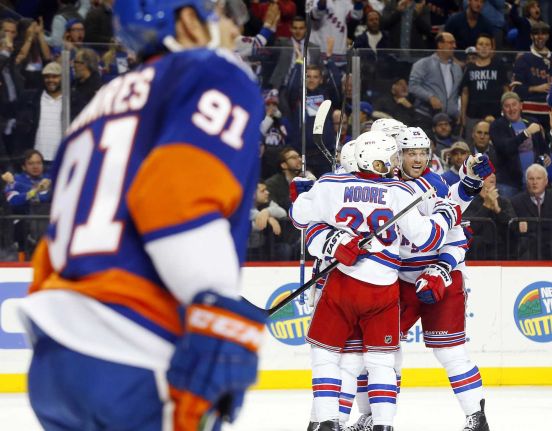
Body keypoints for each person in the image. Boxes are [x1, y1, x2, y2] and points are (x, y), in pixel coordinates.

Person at [16, 2, 269, 430]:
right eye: (226, 16)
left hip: (54, 364)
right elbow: (174, 199)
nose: (235, 31)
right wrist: (217, 317)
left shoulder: (97, 105)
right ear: (189, 20)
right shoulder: (213, 72)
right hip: (136, 352)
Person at [290, 130, 462, 431]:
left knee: (327, 354)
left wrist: (306, 196)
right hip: (383, 290)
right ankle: (383, 424)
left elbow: (299, 218)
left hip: (341, 285)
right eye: (393, 157)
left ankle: (327, 420)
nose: (398, 162)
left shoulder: (330, 184)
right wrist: (447, 213)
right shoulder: (399, 192)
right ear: (377, 160)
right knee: (381, 361)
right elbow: (427, 238)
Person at [341, 126, 492, 431]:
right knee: (379, 349)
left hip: (441, 279)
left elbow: (457, 237)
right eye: (411, 152)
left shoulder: (435, 185)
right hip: (398, 281)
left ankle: (476, 416)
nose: (418, 159)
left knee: (449, 351)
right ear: (398, 154)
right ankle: (373, 415)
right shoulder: (383, 187)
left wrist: (440, 270)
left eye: (423, 152)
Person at [509, 163, 552, 259]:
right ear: (526, 181)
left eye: (538, 178)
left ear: (546, 181)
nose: (534, 182)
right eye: (531, 179)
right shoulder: (516, 202)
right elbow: (513, 230)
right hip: (527, 253)